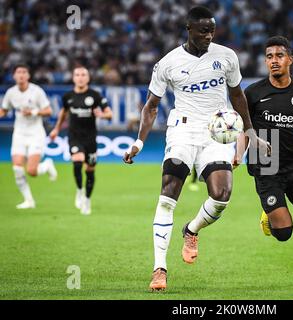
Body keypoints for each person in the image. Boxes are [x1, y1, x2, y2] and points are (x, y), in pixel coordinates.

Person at [123, 6, 270, 292]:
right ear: (189, 29)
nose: (209, 35)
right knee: (168, 194)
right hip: (183, 130)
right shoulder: (168, 63)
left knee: (222, 195)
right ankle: (159, 269)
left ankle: (191, 229)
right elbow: (151, 107)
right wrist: (139, 142)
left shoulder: (227, 57)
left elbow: (237, 95)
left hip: (218, 131)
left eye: (212, 30)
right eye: (203, 30)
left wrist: (250, 131)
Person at [237, 36, 293, 287]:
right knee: (284, 234)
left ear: (290, 59)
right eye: (269, 57)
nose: (273, 61)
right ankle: (269, 214)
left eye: (279, 56)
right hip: (266, 163)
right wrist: (237, 155)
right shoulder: (253, 92)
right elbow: (244, 129)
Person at [50, 67, 112, 215]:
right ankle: (79, 190)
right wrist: (56, 129)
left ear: (88, 78)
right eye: (77, 74)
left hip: (90, 138)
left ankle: (87, 200)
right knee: (77, 161)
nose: (80, 77)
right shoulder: (68, 97)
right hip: (74, 136)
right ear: (73, 78)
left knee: (90, 171)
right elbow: (63, 113)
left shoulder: (95, 96)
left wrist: (101, 115)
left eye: (83, 74)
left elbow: (109, 114)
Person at [0, 64, 57, 209]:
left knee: (31, 171)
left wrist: (33, 112)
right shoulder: (11, 93)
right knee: (17, 168)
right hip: (19, 133)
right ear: (14, 76)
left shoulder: (36, 91)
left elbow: (48, 111)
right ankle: (29, 201)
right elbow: (4, 110)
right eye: (18, 72)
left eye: (24, 72)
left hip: (35, 133)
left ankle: (47, 165)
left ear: (28, 76)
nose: (21, 75)